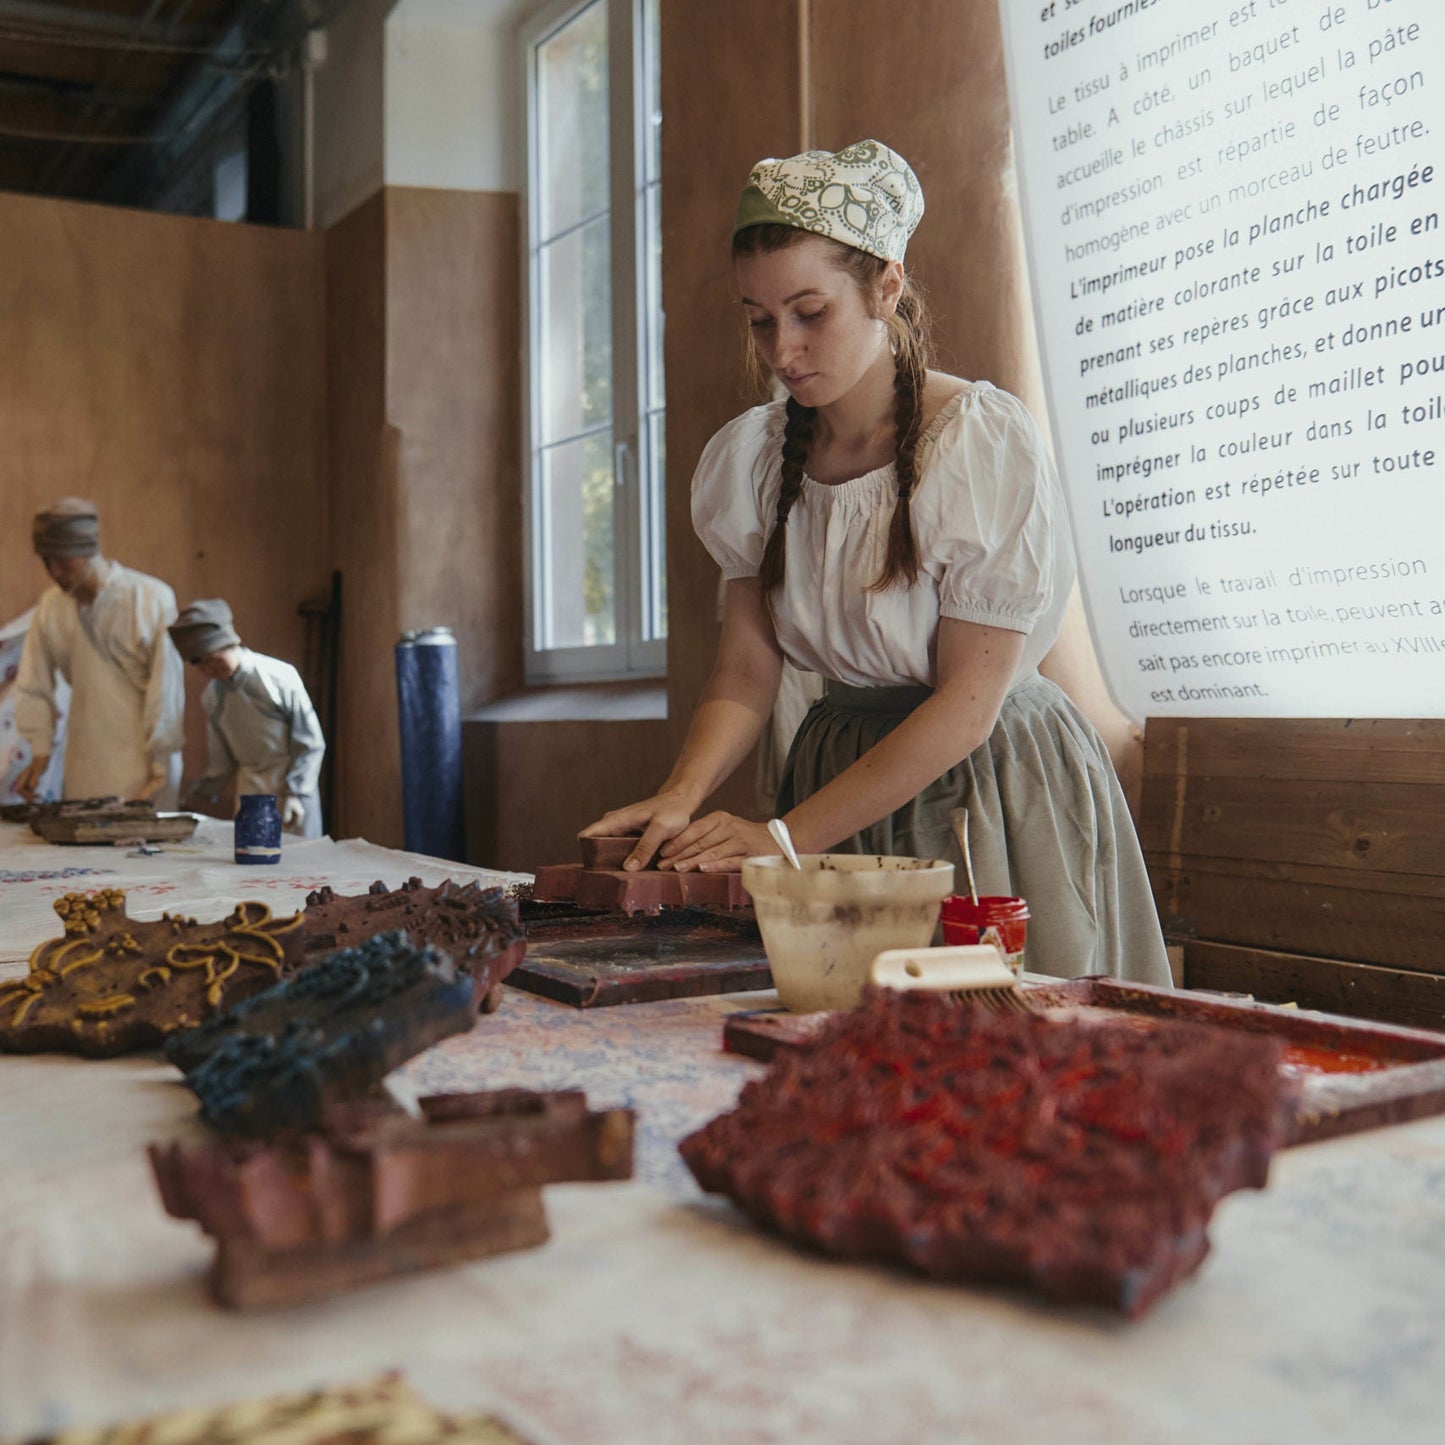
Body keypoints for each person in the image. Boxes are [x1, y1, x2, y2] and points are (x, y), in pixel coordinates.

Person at [582, 140, 1169, 984]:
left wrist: (785, 840)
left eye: (809, 311)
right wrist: (681, 794)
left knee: (986, 1048)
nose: (782, 349)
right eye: (758, 317)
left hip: (983, 784)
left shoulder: (975, 442)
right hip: (834, 775)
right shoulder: (752, 460)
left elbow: (967, 704)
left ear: (886, 287)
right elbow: (746, 671)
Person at [14, 499, 184, 805]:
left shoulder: (148, 597)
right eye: (47, 561)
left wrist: (160, 768)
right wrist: (40, 751)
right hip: (83, 762)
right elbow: (32, 683)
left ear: (87, 551)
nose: (54, 572)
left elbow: (166, 689)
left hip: (143, 763)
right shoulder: (52, 607)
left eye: (63, 561)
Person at [168, 599, 326, 838]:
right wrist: (194, 799)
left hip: (289, 788)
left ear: (229, 642)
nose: (210, 670)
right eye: (202, 666)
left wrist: (296, 793)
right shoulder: (213, 695)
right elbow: (221, 762)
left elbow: (311, 743)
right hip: (251, 791)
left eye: (214, 660)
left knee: (300, 867)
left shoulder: (278, 677)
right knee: (252, 861)